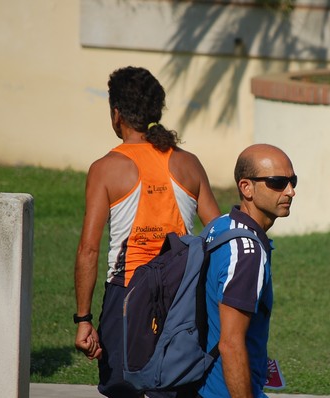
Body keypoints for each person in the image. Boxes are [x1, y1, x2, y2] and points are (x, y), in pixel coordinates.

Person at [74, 66, 221, 398]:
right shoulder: (189, 163)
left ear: (117, 115)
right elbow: (218, 237)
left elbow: (88, 250)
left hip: (125, 296)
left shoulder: (105, 169)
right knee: (176, 388)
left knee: (123, 389)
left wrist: (83, 318)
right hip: (183, 299)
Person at [198, 144, 297, 398]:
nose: (290, 191)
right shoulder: (246, 254)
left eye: (292, 180)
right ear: (246, 187)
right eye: (278, 182)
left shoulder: (219, 226)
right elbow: (230, 344)